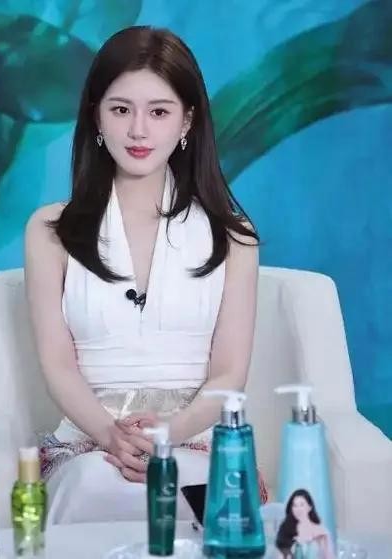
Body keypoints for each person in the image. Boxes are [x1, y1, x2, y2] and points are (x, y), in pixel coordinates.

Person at [24, 25, 265, 524]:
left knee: (186, 486)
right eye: (121, 110)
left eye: (158, 112)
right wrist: (111, 436)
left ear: (186, 121)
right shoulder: (49, 231)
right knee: (94, 485)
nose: (138, 131)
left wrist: (168, 435)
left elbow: (229, 374)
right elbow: (57, 365)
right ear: (97, 116)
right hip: (91, 443)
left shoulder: (235, 236)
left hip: (194, 437)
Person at [275, 489, 335, 559]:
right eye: (294, 505)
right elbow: (280, 555)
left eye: (302, 505)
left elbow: (329, 556)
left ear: (310, 507)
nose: (298, 509)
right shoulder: (286, 529)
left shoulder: (321, 532)